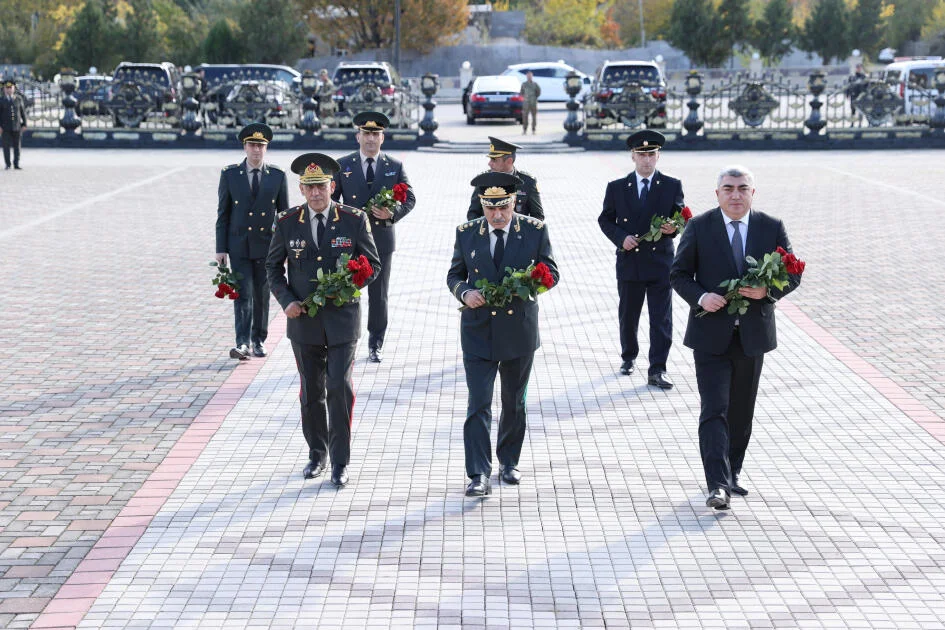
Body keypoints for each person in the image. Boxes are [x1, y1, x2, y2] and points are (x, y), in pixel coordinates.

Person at [670, 165, 801, 510]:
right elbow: (679, 273)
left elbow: (793, 272)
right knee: (715, 409)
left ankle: (732, 472)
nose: (735, 194)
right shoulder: (699, 226)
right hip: (710, 335)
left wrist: (767, 292)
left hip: (752, 337)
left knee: (742, 411)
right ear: (718, 194)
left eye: (742, 188)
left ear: (752, 193)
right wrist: (700, 297)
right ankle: (716, 484)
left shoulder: (770, 227)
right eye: (728, 188)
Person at [266, 153, 382, 487]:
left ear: (333, 186)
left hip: (343, 320)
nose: (317, 194)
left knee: (338, 388)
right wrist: (286, 301)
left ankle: (340, 461)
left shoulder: (354, 219)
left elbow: (372, 265)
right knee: (311, 392)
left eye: (322, 187)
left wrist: (350, 284)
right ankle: (317, 453)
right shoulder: (287, 221)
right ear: (301, 189)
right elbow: (273, 267)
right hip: (304, 321)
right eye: (310, 187)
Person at [447, 172, 560, 497]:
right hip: (478, 331)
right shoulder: (467, 233)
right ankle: (478, 473)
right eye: (490, 208)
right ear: (482, 205)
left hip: (518, 331)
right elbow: (455, 274)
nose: (497, 216)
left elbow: (551, 271)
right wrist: (465, 292)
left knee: (514, 402)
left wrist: (533, 282)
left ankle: (509, 461)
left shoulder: (535, 231)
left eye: (504, 208)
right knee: (479, 403)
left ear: (513, 202)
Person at [598, 130, 684, 390]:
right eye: (642, 155)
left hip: (660, 263)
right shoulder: (617, 187)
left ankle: (658, 368)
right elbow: (605, 219)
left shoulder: (671, 185)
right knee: (629, 313)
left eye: (651, 154)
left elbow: (679, 216)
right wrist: (621, 237)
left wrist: (674, 228)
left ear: (658, 156)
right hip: (630, 261)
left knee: (661, 318)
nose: (647, 160)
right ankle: (628, 356)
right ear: (632, 156)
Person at [331, 111, 416, 363]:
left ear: (382, 138)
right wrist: (346, 217)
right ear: (358, 137)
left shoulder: (394, 166)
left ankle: (375, 342)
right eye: (366, 134)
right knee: (347, 288)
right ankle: (346, 339)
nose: (370, 139)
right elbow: (332, 201)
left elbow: (410, 198)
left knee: (379, 294)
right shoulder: (342, 165)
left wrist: (392, 213)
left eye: (375, 134)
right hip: (350, 240)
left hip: (381, 239)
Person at [215, 123, 289, 360]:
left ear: (266, 148)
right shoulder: (230, 174)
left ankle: (259, 340)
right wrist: (220, 248)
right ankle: (243, 342)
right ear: (244, 147)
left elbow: (284, 216)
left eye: (261, 145)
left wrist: (285, 249)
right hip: (239, 245)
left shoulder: (277, 176)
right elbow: (223, 213)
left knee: (262, 295)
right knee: (242, 293)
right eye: (252, 145)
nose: (256, 150)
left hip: (267, 246)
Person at [467, 137, 544, 221]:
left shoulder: (528, 182)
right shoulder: (483, 180)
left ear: (509, 161)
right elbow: (473, 214)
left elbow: (538, 216)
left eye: (494, 160)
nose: (489, 163)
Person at [0, 78, 28, 170]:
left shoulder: (19, 99)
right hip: (5, 127)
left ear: (14, 88)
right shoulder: (1, 100)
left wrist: (25, 124)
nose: (8, 89)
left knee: (17, 146)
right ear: (4, 89)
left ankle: (16, 163)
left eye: (10, 87)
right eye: (7, 88)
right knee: (6, 147)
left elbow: (23, 112)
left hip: (17, 127)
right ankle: (7, 164)